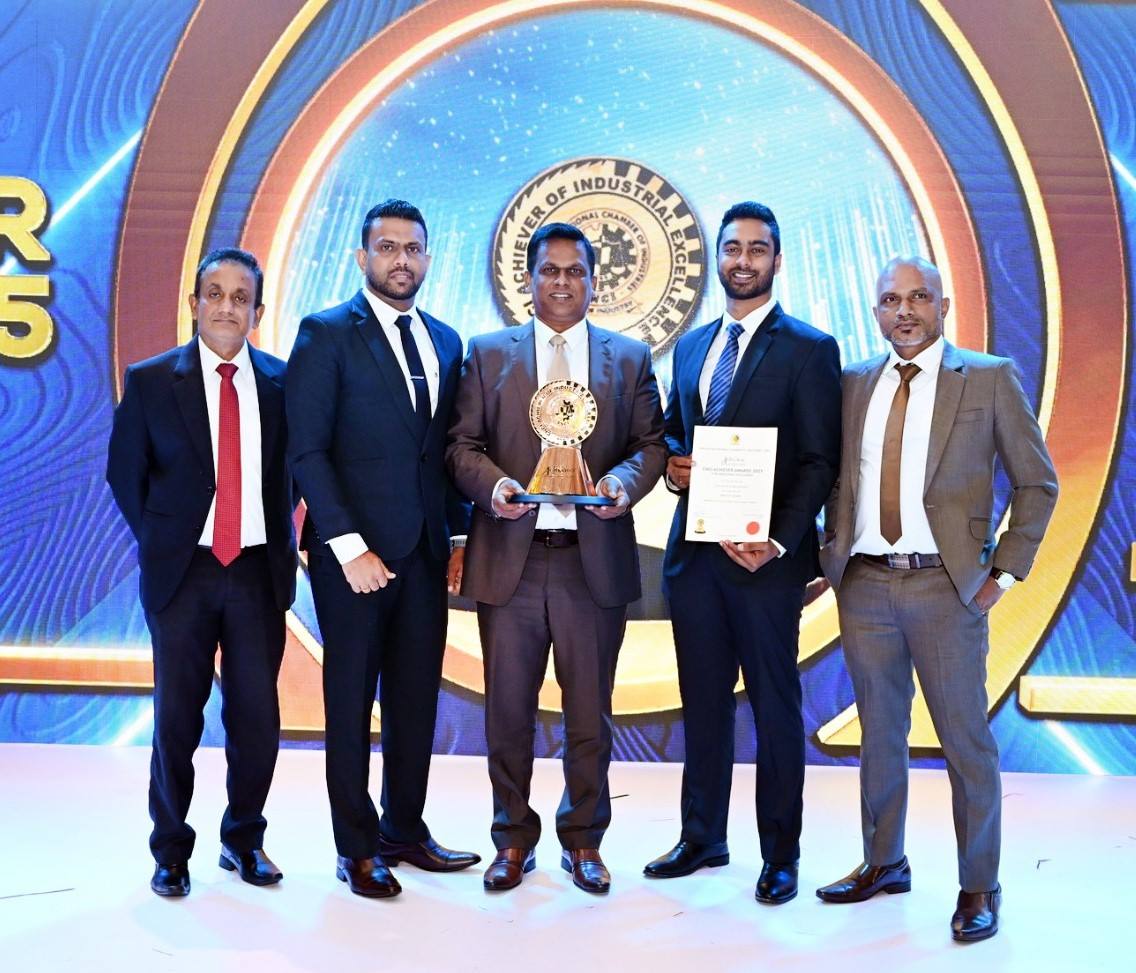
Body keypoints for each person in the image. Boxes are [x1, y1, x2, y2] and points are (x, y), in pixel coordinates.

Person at [815, 257, 1057, 942]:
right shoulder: (853, 382)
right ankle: (884, 861)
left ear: (943, 306)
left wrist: (1001, 574)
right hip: (865, 586)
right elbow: (833, 477)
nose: (905, 310)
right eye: (891, 299)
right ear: (875, 311)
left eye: (919, 297)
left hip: (947, 589)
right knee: (878, 735)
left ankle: (979, 884)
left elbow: (1038, 484)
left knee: (965, 742)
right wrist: (829, 553)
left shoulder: (988, 377)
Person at [447, 222, 665, 895]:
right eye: (550, 270)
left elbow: (651, 445)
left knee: (589, 715)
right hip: (510, 561)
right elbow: (461, 447)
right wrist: (495, 488)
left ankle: (584, 839)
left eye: (575, 271)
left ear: (594, 282)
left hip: (589, 562)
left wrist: (621, 484)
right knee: (507, 714)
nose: (562, 282)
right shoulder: (487, 354)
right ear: (529, 279)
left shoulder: (630, 358)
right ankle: (512, 839)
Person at [644, 202, 841, 905]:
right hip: (695, 557)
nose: (744, 259)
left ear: (777, 260)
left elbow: (820, 460)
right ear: (718, 257)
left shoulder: (810, 348)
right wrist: (674, 468)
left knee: (773, 705)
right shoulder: (691, 347)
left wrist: (779, 538)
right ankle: (703, 835)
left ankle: (781, 853)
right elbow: (674, 434)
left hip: (767, 562)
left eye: (758, 249)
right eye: (733, 247)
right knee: (702, 703)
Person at [286, 199, 478, 899]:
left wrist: (457, 535)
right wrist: (348, 545)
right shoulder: (326, 333)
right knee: (349, 702)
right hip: (352, 561)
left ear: (428, 258)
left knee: (414, 700)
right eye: (388, 247)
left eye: (413, 248)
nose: (402, 260)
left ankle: (403, 829)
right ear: (361, 256)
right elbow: (307, 449)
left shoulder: (447, 341)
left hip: (425, 555)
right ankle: (357, 846)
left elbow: (446, 453)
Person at [107, 247, 296, 897]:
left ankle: (243, 839)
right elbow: (124, 474)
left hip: (256, 573)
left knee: (256, 719)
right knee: (176, 720)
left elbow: (296, 473)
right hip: (183, 574)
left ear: (257, 313)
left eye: (240, 298)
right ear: (193, 303)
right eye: (214, 293)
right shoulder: (152, 380)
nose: (226, 307)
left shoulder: (282, 384)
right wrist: (166, 540)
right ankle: (170, 849)